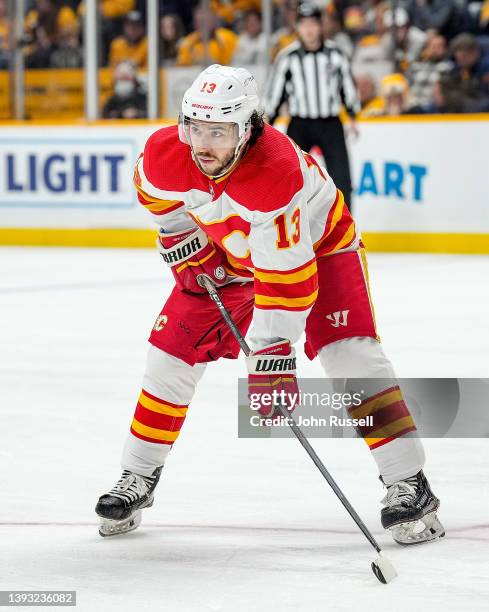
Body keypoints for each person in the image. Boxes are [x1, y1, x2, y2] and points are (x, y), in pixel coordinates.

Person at [95, 63, 445, 547]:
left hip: (321, 253)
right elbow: (154, 197)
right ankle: (137, 475)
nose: (201, 144)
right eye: (194, 127)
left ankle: (408, 481)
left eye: (217, 131)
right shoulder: (165, 152)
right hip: (230, 259)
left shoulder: (274, 172)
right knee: (169, 354)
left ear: (246, 129)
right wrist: (183, 238)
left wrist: (271, 353)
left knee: (352, 357)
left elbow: (288, 278)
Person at [263, 3, 359, 211]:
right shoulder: (287, 57)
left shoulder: (336, 54)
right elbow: (275, 94)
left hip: (330, 123)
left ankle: (345, 231)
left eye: (313, 24)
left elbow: (347, 87)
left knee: (341, 178)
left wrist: (352, 114)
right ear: (297, 26)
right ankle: (291, 225)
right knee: (291, 176)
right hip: (300, 123)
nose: (308, 29)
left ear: (320, 26)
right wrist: (267, 121)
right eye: (303, 24)